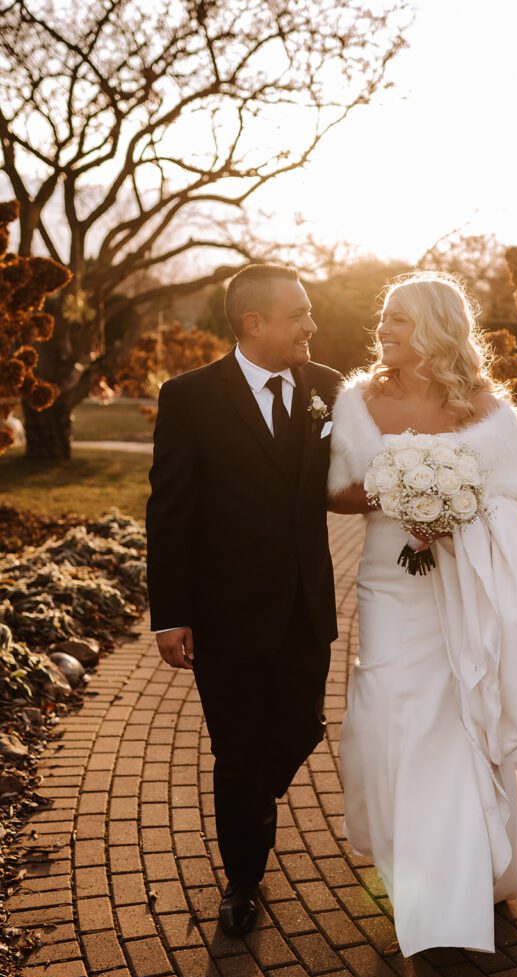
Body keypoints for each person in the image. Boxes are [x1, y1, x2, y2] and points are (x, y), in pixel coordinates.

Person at [327, 270, 517, 956]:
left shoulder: (487, 409)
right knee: (391, 709)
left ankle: (458, 881)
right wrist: (390, 495)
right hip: (390, 583)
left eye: (399, 321)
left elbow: (516, 501)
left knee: (454, 716)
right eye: (383, 320)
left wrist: (454, 514)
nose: (383, 332)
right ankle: (405, 861)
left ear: (438, 329)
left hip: (461, 585)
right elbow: (333, 492)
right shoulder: (357, 402)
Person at [146, 263, 342, 935]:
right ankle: (242, 880)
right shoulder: (190, 398)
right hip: (225, 616)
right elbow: (169, 511)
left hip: (304, 609)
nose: (312, 325)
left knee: (301, 728)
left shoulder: (328, 387)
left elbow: (355, 470)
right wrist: (170, 614)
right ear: (255, 324)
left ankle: (255, 794)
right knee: (235, 754)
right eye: (300, 315)